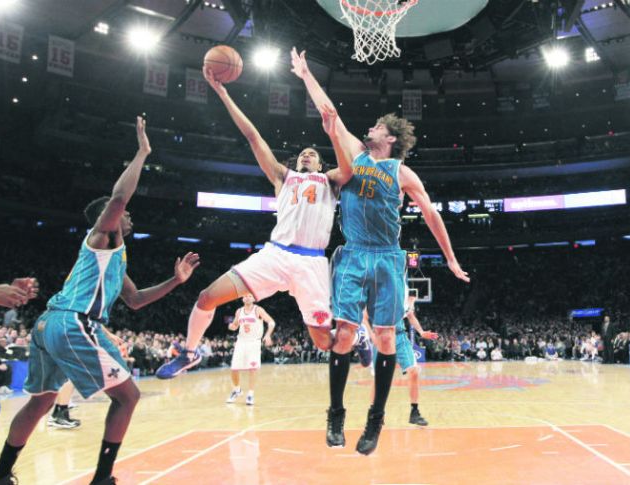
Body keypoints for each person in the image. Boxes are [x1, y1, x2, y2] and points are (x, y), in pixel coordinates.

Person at [0, 117, 201, 485]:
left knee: (40, 402)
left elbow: (134, 300)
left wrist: (176, 280)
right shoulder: (101, 237)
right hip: (73, 322)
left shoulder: (113, 256)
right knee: (128, 397)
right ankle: (102, 479)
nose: (129, 215)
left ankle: (0, 474)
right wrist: (142, 153)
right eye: (124, 214)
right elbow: (119, 198)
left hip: (49, 323)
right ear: (110, 218)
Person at [291, 46, 470, 455]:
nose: (368, 128)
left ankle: (376, 418)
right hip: (353, 253)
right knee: (345, 336)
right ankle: (335, 414)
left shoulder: (403, 172)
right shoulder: (354, 153)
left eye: (375, 126)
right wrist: (304, 75)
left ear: (388, 138)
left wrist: (451, 258)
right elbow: (329, 112)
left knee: (387, 337)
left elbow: (431, 216)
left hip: (388, 256)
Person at [156, 66, 366, 380]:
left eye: (313, 153)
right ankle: (189, 353)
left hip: (311, 264)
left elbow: (348, 170)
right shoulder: (283, 177)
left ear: (321, 164)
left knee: (325, 343)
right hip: (275, 255)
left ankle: (358, 333)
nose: (307, 155)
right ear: (296, 162)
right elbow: (253, 136)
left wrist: (333, 132)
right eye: (303, 154)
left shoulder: (330, 180)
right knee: (206, 297)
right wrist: (223, 93)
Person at [362, 288, 437, 427]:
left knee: (414, 371)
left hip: (400, 336)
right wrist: (372, 335)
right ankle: (375, 413)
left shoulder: (401, 289)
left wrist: (421, 332)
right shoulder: (375, 288)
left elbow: (410, 315)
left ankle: (414, 412)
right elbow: (364, 317)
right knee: (379, 379)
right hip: (381, 336)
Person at [225, 294, 276, 406]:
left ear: (253, 298)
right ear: (242, 299)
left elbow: (271, 322)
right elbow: (235, 325)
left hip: (254, 342)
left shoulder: (258, 310)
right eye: (245, 296)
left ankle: (250, 394)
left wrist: (268, 335)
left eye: (249, 296)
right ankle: (237, 390)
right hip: (241, 341)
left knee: (252, 368)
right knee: (234, 368)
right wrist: (231, 326)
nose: (247, 297)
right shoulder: (239, 311)